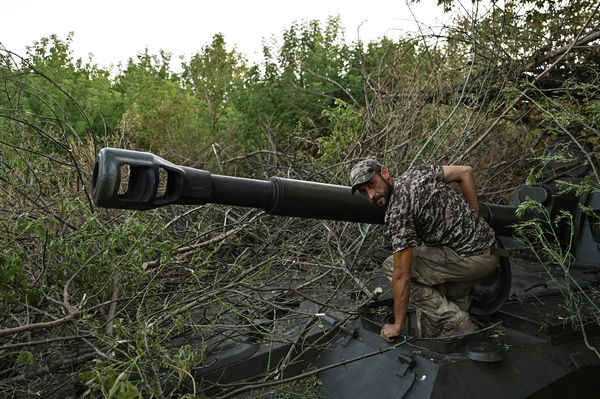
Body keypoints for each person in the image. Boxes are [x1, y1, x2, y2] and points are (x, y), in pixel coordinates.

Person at [350, 160, 499, 342]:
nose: (371, 195)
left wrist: (397, 325)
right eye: (364, 192)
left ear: (385, 172)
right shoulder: (417, 173)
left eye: (371, 184)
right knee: (434, 320)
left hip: (469, 259)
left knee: (391, 266)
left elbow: (401, 276)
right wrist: (473, 217)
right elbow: (465, 172)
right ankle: (451, 330)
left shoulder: (399, 211)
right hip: (489, 248)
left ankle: (460, 322)